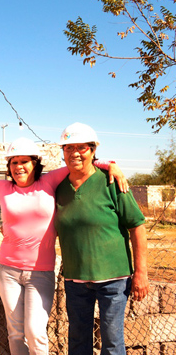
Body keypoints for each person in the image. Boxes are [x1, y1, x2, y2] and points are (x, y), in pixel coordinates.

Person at [0, 134, 127, 355]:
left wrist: (110, 165)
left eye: (24, 161)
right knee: (15, 332)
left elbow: (77, 163)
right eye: (14, 162)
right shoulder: (3, 188)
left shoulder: (49, 182)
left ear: (35, 164)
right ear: (9, 166)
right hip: (8, 271)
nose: (19, 167)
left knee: (35, 331)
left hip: (40, 273)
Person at [54, 122, 148, 355]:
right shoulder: (58, 187)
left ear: (93, 150)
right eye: (68, 147)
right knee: (77, 341)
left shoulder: (111, 182)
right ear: (63, 152)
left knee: (112, 342)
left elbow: (137, 226)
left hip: (113, 280)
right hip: (75, 281)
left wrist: (141, 273)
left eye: (82, 147)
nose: (75, 153)